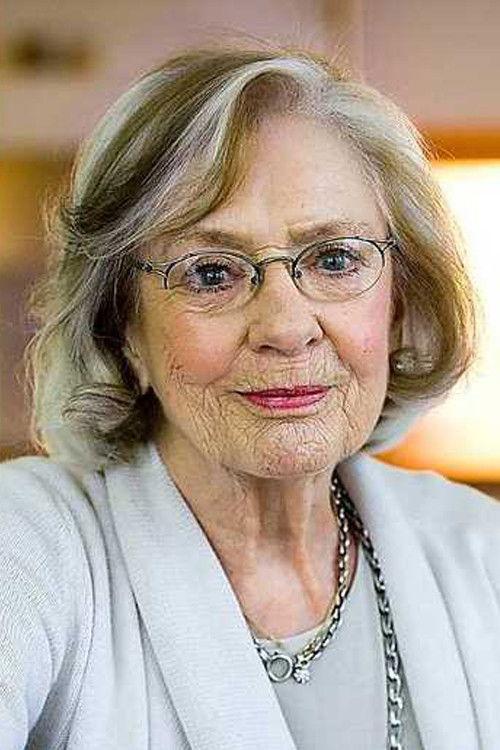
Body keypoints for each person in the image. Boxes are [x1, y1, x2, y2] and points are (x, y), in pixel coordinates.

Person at [1, 41, 499, 750]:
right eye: (212, 273)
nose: (287, 328)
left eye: (335, 259)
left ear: (399, 303)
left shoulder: (480, 551)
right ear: (122, 327)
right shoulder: (29, 543)